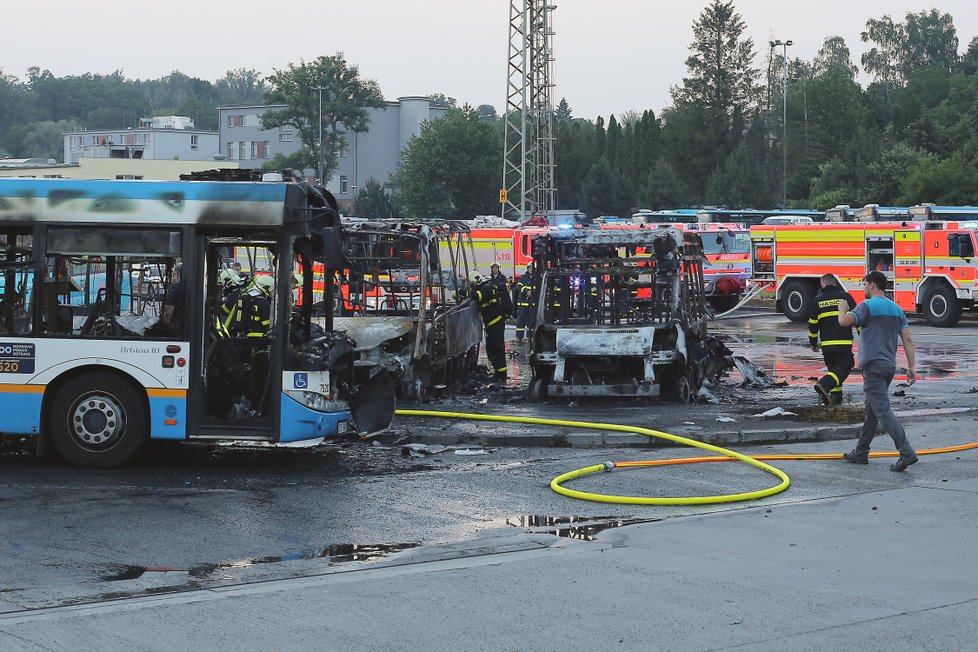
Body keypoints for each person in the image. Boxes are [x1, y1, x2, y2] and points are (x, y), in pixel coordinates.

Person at [838, 270, 918, 471]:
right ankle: (861, 452)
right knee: (872, 411)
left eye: (865, 284)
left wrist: (842, 309)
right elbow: (907, 339)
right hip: (888, 366)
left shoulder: (867, 306)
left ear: (872, 284)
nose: (864, 288)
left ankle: (906, 452)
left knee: (882, 410)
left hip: (873, 366)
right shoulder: (897, 309)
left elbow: (844, 322)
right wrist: (911, 366)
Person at [808, 274, 857, 405]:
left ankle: (835, 399)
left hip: (827, 346)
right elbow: (858, 318)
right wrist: (864, 336)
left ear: (823, 284)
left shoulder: (817, 300)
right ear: (834, 283)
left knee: (834, 371)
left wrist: (813, 343)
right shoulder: (846, 297)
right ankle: (824, 384)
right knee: (844, 367)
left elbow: (812, 325)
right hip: (844, 343)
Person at [469, 271, 508, 381]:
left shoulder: (486, 288)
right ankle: (498, 373)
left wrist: (463, 291)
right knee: (491, 349)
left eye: (472, 284)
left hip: (495, 322)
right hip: (492, 323)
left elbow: (477, 296)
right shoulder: (487, 286)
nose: (473, 286)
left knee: (497, 349)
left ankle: (501, 375)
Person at [159, 262, 185, 336]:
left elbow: (169, 311)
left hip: (176, 327)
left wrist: (163, 326)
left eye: (173, 274)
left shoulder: (174, 287)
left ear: (176, 274)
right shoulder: (191, 287)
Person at [513, 263, 536, 343]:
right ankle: (519, 337)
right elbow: (519, 286)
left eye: (532, 268)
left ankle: (530, 336)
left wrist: (533, 292)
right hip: (523, 303)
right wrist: (526, 291)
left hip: (532, 304)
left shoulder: (536, 278)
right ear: (527, 268)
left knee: (531, 321)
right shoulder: (523, 278)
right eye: (529, 268)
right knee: (521, 321)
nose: (531, 269)